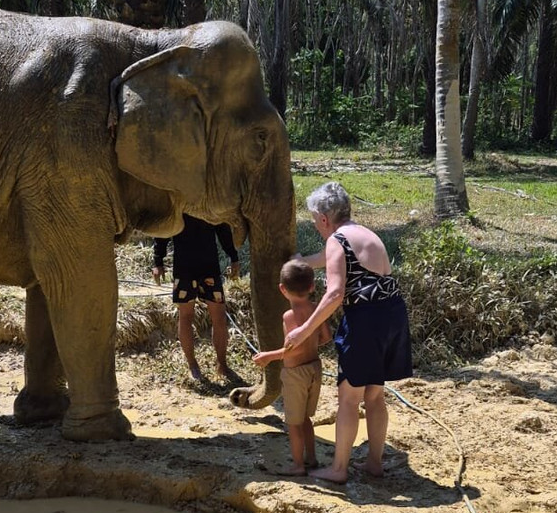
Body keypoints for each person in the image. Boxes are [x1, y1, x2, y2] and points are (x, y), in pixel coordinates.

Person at [283, 182, 412, 483]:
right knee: (375, 394)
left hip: (365, 321)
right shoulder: (363, 234)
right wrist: (301, 262)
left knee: (349, 397)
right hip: (392, 315)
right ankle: (374, 464)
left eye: (315, 220)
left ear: (325, 218)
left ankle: (339, 469)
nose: (315, 226)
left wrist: (303, 330)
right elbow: (331, 259)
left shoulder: (336, 240)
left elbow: (334, 294)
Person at [252, 260, 333, 475]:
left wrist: (269, 356)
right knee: (305, 418)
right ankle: (311, 458)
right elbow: (326, 336)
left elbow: (292, 349)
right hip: (315, 369)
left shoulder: (289, 316)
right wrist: (312, 344)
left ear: (282, 289)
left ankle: (297, 465)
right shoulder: (316, 310)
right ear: (312, 287)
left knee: (293, 423)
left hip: (295, 374)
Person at [153, 214, 241, 381]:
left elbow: (222, 228)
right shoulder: (177, 201)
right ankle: (192, 366)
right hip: (184, 268)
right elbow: (163, 229)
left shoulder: (209, 201)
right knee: (186, 316)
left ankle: (222, 365)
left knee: (219, 317)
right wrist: (158, 261)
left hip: (209, 267)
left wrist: (233, 256)